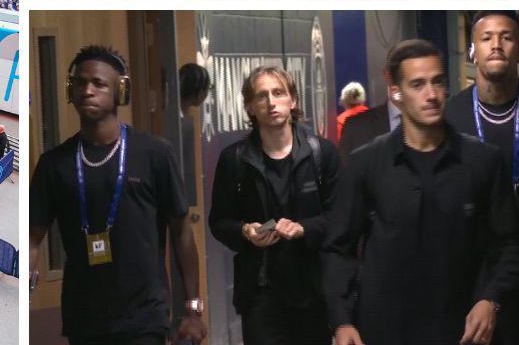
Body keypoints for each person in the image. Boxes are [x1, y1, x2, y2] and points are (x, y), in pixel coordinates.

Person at [322, 39, 519, 345]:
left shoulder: (483, 160)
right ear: (396, 93)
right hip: (385, 329)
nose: (431, 95)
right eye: (417, 84)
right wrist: (342, 321)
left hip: (463, 331)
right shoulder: (366, 164)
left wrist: (491, 300)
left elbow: (510, 243)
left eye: (437, 82)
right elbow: (338, 248)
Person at [30, 45, 208, 345]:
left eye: (99, 83)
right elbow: (34, 236)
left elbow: (182, 233)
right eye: (80, 82)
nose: (88, 90)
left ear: (120, 91)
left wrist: (193, 309)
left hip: (145, 317)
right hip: (83, 318)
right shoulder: (54, 164)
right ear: (69, 90)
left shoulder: (154, 153)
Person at [209, 66, 340, 345]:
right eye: (261, 96)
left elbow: (340, 217)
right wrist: (246, 231)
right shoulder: (234, 159)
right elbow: (219, 221)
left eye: (278, 93)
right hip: (260, 293)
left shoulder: (321, 152)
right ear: (250, 108)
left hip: (312, 291)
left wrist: (304, 228)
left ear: (292, 101)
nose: (271, 102)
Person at [445, 11, 519, 345]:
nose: (496, 45)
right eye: (486, 38)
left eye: (507, 37)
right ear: (472, 50)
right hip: (470, 285)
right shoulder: (449, 118)